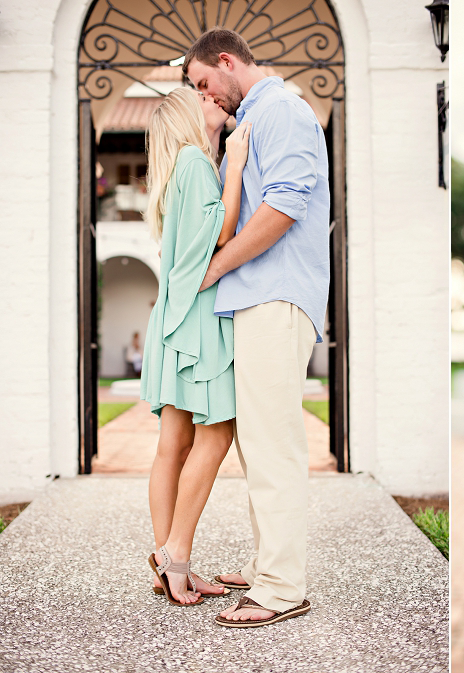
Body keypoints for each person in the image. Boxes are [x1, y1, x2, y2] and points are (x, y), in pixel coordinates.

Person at [183, 27, 330, 628]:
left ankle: (281, 587)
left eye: (202, 83)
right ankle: (272, 562)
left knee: (274, 445)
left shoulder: (284, 111)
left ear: (226, 62)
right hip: (257, 297)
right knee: (258, 443)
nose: (204, 96)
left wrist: (215, 267)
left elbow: (286, 207)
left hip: (275, 296)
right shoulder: (256, 118)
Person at [140, 86, 251, 605]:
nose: (215, 101)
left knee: (172, 447)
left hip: (173, 319)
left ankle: (169, 562)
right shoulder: (195, 163)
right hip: (198, 321)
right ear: (189, 116)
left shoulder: (175, 170)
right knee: (216, 437)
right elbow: (223, 232)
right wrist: (234, 167)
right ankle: (175, 555)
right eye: (202, 98)